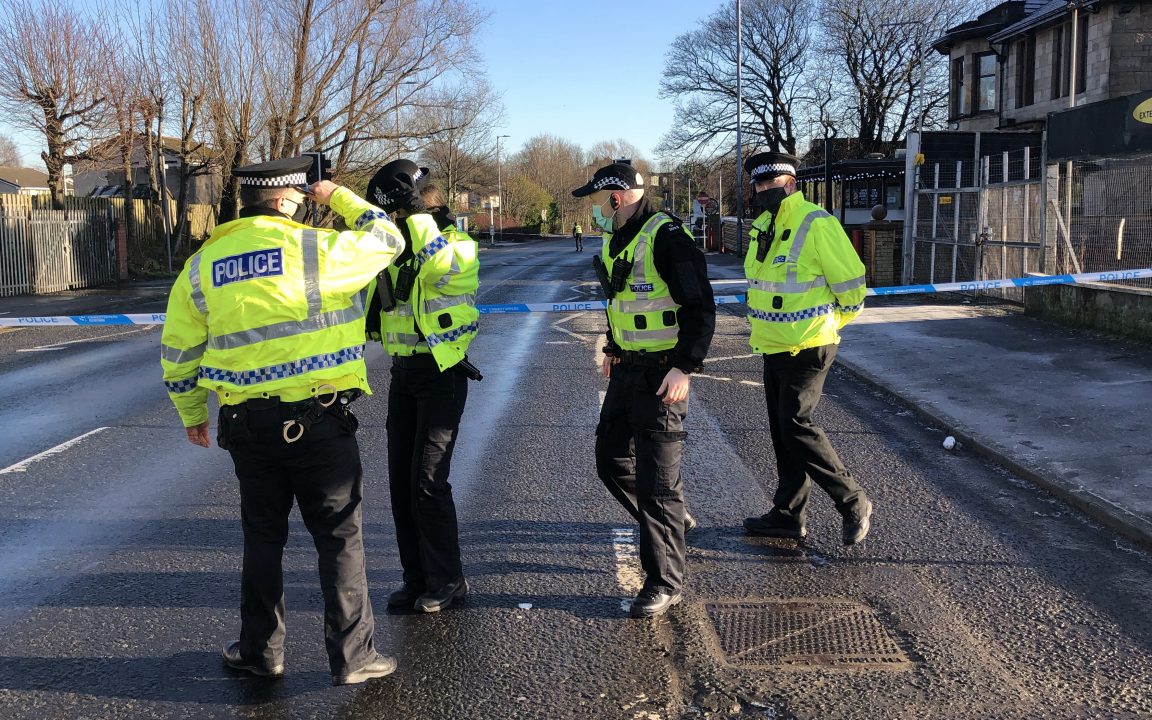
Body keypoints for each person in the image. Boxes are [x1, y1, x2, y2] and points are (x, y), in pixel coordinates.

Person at [160, 156, 405, 686]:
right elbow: (389, 239)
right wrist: (336, 195)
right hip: (319, 422)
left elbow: (178, 351)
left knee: (263, 539)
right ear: (287, 200)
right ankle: (353, 659)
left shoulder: (204, 264)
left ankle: (261, 653)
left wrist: (190, 414)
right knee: (339, 538)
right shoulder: (315, 250)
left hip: (247, 426)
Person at [573, 162, 715, 618]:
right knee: (610, 458)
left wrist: (685, 367)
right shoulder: (619, 239)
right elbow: (626, 301)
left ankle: (664, 580)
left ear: (618, 197)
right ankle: (673, 525)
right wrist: (614, 347)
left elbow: (700, 306)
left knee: (658, 483)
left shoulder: (666, 237)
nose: (594, 210)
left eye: (598, 201)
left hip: (662, 375)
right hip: (628, 369)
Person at [739, 151, 874, 546]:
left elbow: (852, 288)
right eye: (759, 186)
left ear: (791, 185)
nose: (764, 192)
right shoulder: (762, 227)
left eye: (772, 185)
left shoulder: (816, 222)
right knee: (783, 432)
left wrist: (830, 324)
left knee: (797, 426)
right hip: (773, 345)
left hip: (809, 345)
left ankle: (853, 500)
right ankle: (787, 514)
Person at [364, 159, 480, 614]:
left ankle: (449, 581)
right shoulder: (398, 248)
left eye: (406, 214)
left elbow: (434, 267)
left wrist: (410, 212)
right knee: (400, 484)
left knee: (429, 482)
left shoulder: (458, 245)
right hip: (404, 374)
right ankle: (416, 578)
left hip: (443, 374)